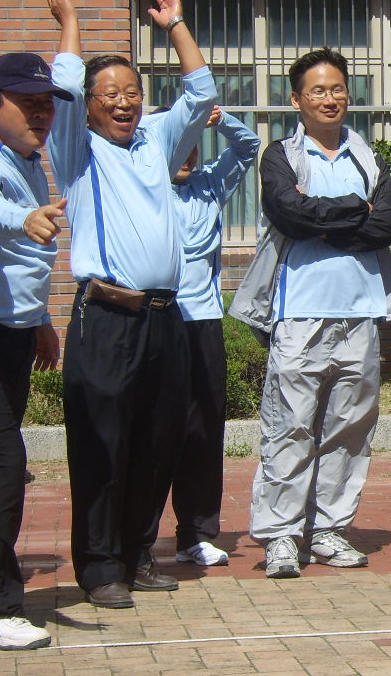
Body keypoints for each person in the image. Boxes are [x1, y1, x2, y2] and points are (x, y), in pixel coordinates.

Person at [47, 0, 218, 609]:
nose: (123, 104)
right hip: (106, 317)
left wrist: (175, 25)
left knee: (157, 440)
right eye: (110, 95)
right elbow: (64, 89)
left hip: (166, 319)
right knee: (102, 445)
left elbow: (202, 93)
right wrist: (70, 25)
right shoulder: (77, 149)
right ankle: (98, 567)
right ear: (91, 105)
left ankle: (137, 554)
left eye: (132, 94)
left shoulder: (155, 143)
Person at [235, 47, 391, 579]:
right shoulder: (281, 156)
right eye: (317, 91)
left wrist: (324, 222)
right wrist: (356, 210)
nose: (329, 99)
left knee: (350, 429)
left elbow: (387, 225)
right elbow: (289, 213)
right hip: (298, 313)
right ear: (297, 100)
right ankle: (282, 536)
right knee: (289, 426)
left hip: (361, 312)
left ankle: (330, 528)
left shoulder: (367, 157)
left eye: (337, 89)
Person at [163, 106, 260, 566]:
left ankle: (196, 533)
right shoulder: (142, 189)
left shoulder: (209, 185)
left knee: (203, 430)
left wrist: (220, 121)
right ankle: (135, 537)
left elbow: (249, 147)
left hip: (202, 322)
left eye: (193, 146)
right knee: (152, 429)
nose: (187, 155)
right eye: (178, 144)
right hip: (155, 320)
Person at [0, 52, 72, 650]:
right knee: (5, 466)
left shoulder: (29, 162)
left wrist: (42, 318)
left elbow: (22, 263)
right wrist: (22, 217)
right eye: (27, 103)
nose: (41, 114)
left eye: (46, 104)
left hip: (14, 334)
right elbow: (13, 223)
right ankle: (3, 605)